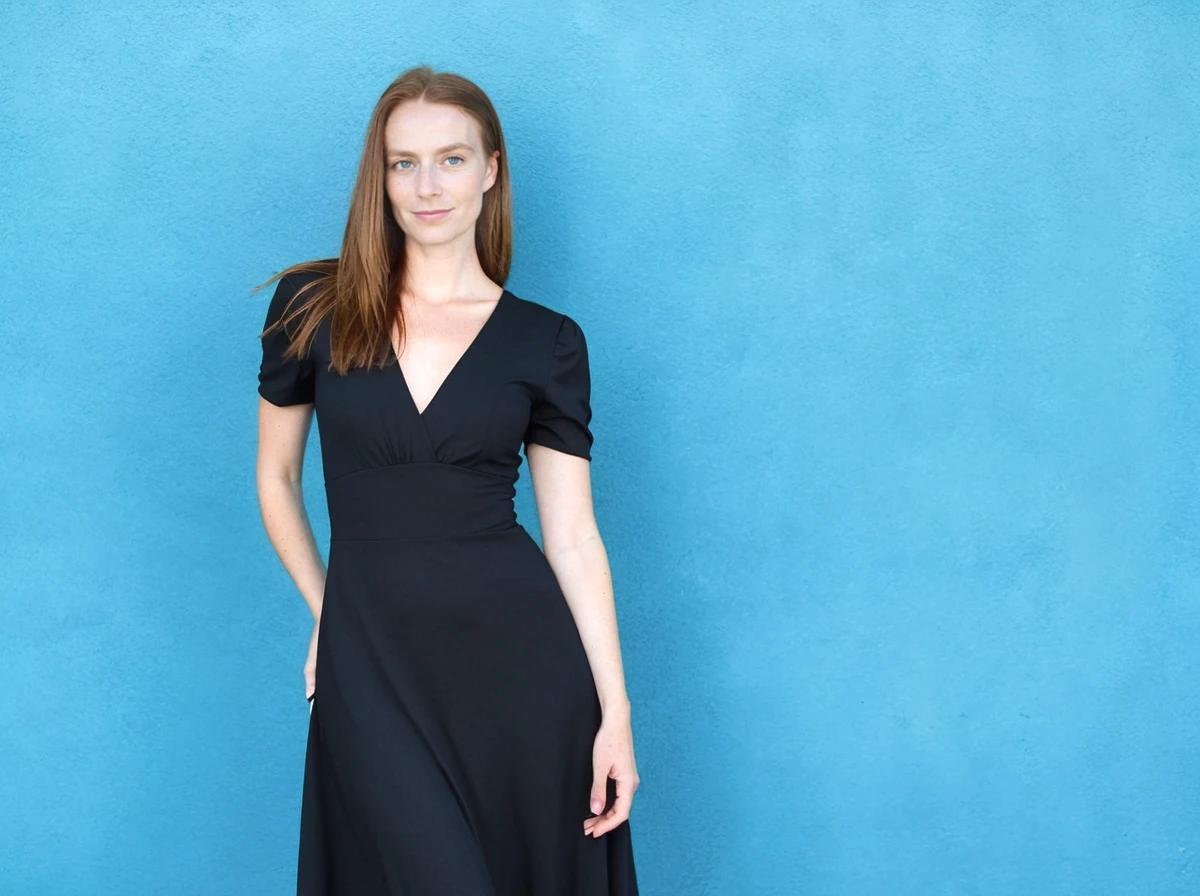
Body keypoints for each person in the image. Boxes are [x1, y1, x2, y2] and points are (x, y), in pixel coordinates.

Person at [254, 65, 640, 894]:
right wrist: (334, 611)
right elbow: (276, 479)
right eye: (404, 163)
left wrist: (616, 714)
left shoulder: (547, 342)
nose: (427, 186)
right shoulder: (309, 310)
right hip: (375, 666)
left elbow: (572, 536)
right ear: (380, 177)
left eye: (452, 159)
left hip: (524, 675)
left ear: (492, 169)